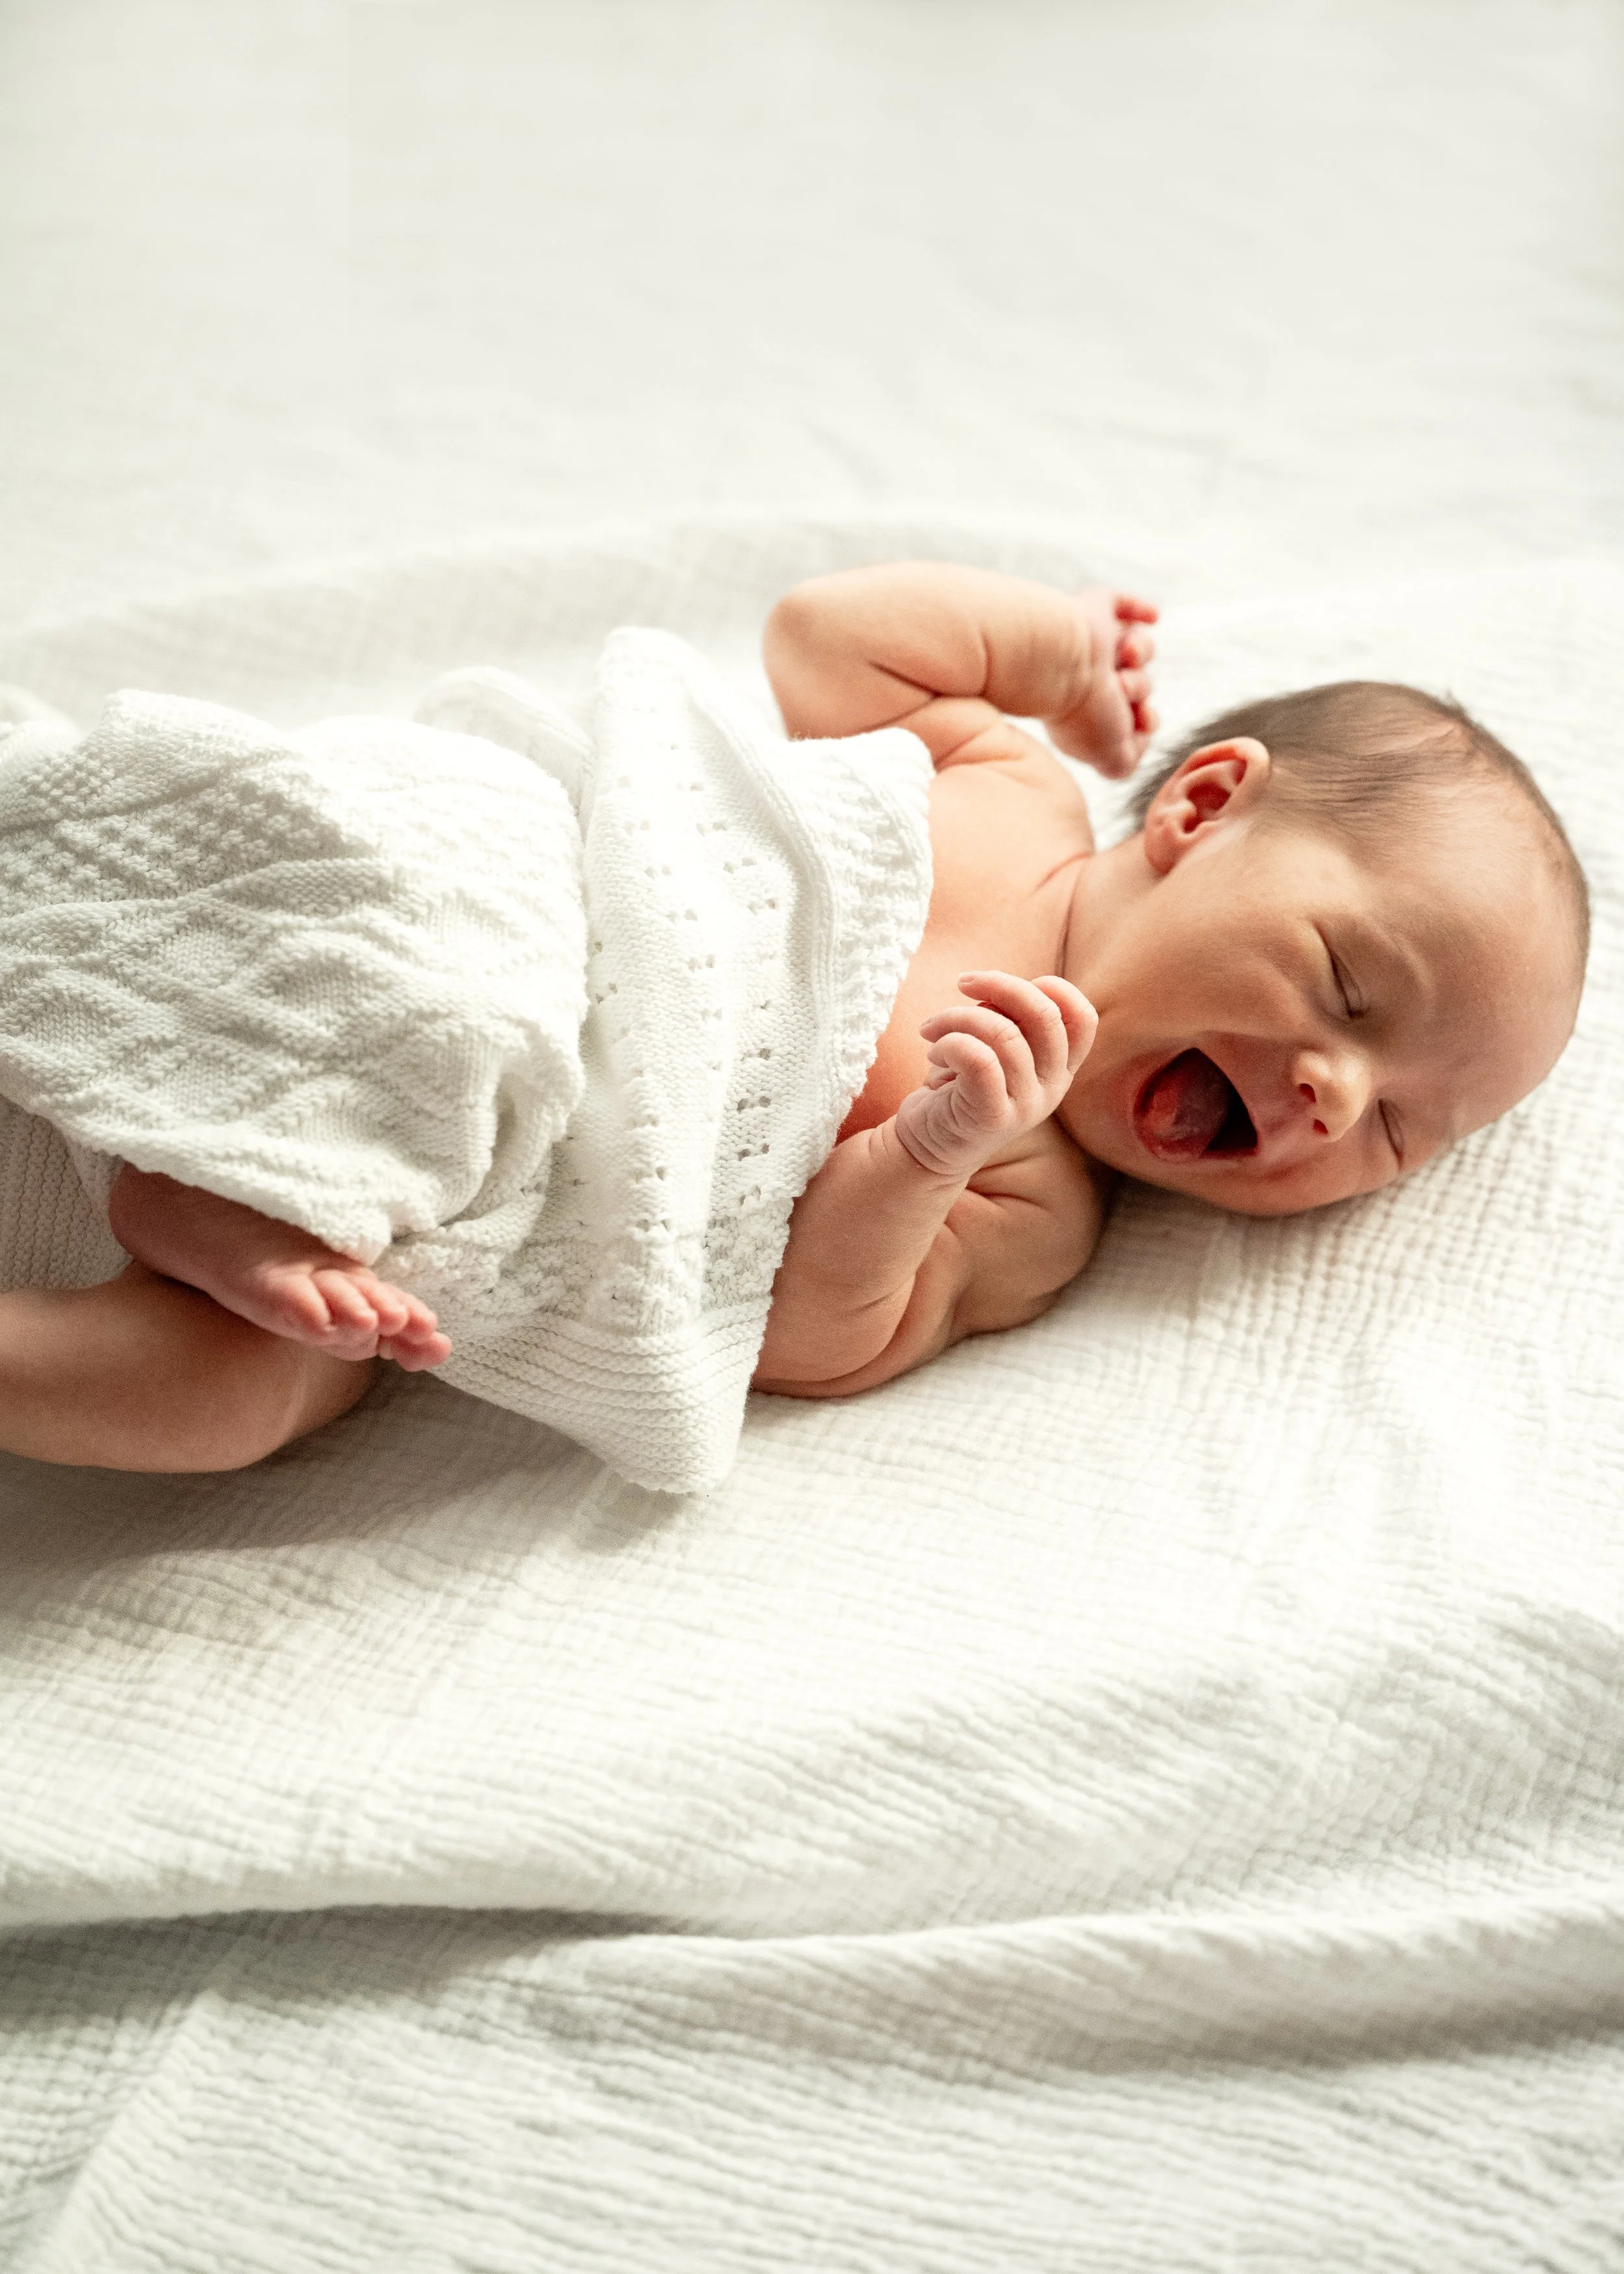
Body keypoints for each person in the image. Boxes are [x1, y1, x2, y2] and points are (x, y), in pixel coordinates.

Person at [0, 565, 1588, 1466]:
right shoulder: (1007, 788)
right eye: (1347, 987)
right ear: (1202, 805)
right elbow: (825, 639)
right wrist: (1051, 658)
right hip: (535, 899)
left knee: (254, 1397)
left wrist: (926, 1147)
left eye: (1394, 1128)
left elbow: (817, 1343)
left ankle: (144, 1263)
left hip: (497, 1211)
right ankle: (213, 1175)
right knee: (430, 909)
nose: (1330, 1089)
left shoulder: (1031, 1202)